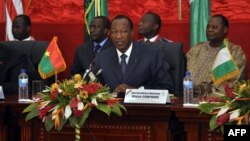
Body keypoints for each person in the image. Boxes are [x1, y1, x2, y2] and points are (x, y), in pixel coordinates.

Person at [93, 15, 174, 95]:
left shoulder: (152, 54)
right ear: (110, 34)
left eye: (124, 32)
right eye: (114, 32)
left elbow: (167, 88)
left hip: (141, 106)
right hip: (112, 107)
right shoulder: (102, 56)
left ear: (132, 33)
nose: (118, 36)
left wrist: (136, 91)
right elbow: (91, 85)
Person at [186, 14, 247, 93]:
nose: (209, 30)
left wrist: (209, 89)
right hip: (187, 97)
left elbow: (236, 82)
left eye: (214, 27)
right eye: (208, 27)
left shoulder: (235, 52)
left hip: (215, 101)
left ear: (225, 30)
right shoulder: (196, 49)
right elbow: (182, 72)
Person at [138, 11, 185, 97]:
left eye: (144, 22)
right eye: (140, 21)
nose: (139, 23)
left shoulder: (169, 47)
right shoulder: (134, 46)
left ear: (155, 26)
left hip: (159, 93)